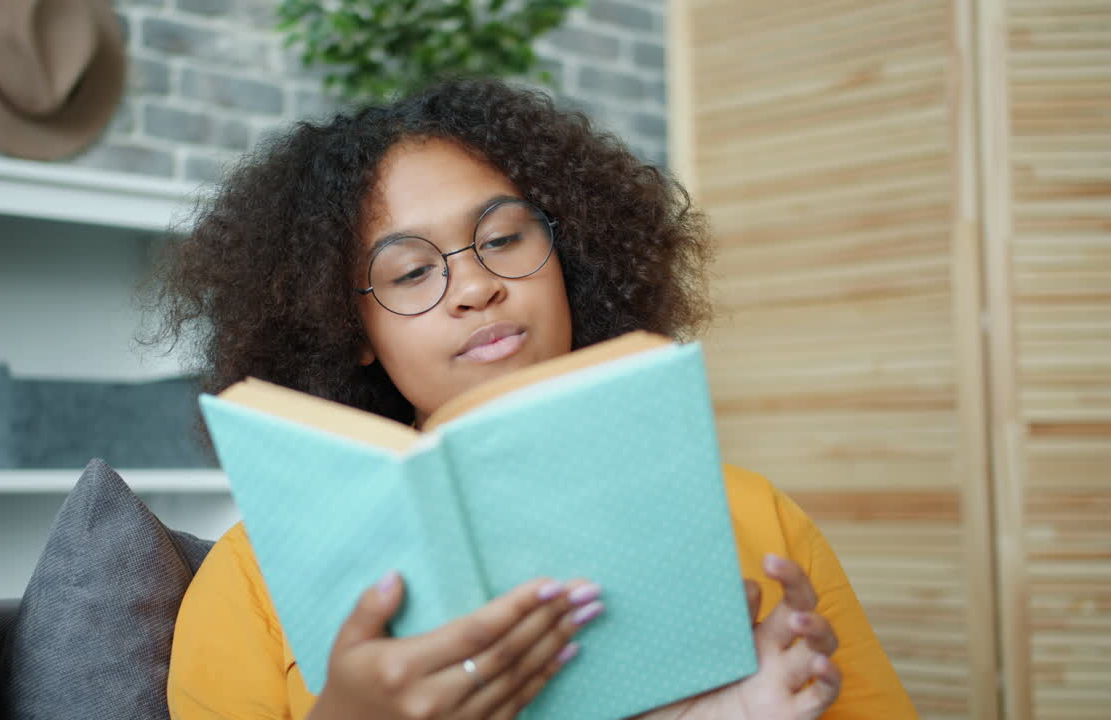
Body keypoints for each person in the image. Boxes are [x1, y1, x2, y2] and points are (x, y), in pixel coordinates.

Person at [153, 78, 918, 720]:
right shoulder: (253, 580)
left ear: (571, 260)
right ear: (352, 329)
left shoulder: (758, 518)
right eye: (411, 272)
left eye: (503, 238)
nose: (477, 286)